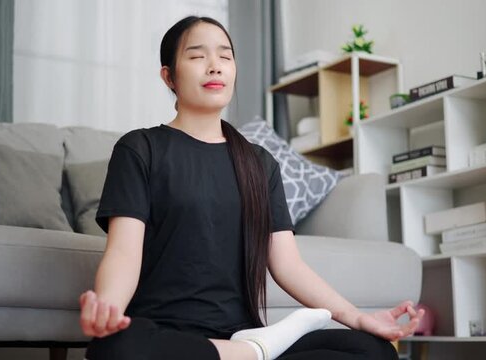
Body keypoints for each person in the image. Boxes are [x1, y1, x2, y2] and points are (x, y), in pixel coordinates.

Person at [80, 15, 424, 360]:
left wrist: (359, 318)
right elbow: (123, 252)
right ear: (169, 76)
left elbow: (288, 265)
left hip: (244, 331)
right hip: (166, 332)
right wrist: (107, 308)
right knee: (115, 348)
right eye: (198, 56)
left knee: (373, 350)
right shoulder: (140, 148)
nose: (214, 67)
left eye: (225, 57)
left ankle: (247, 350)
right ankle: (250, 354)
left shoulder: (259, 163)